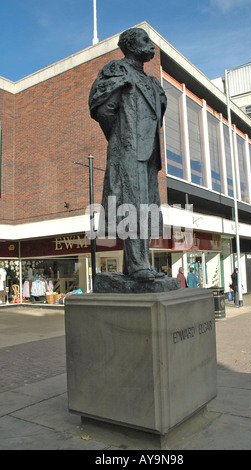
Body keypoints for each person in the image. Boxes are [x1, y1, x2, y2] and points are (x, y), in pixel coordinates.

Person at [89, 28, 167, 282]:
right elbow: (104, 110)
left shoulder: (152, 81)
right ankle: (137, 264)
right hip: (128, 147)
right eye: (145, 41)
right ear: (131, 46)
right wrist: (124, 136)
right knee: (131, 205)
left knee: (145, 208)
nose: (151, 45)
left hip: (149, 153)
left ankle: (137, 263)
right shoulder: (117, 70)